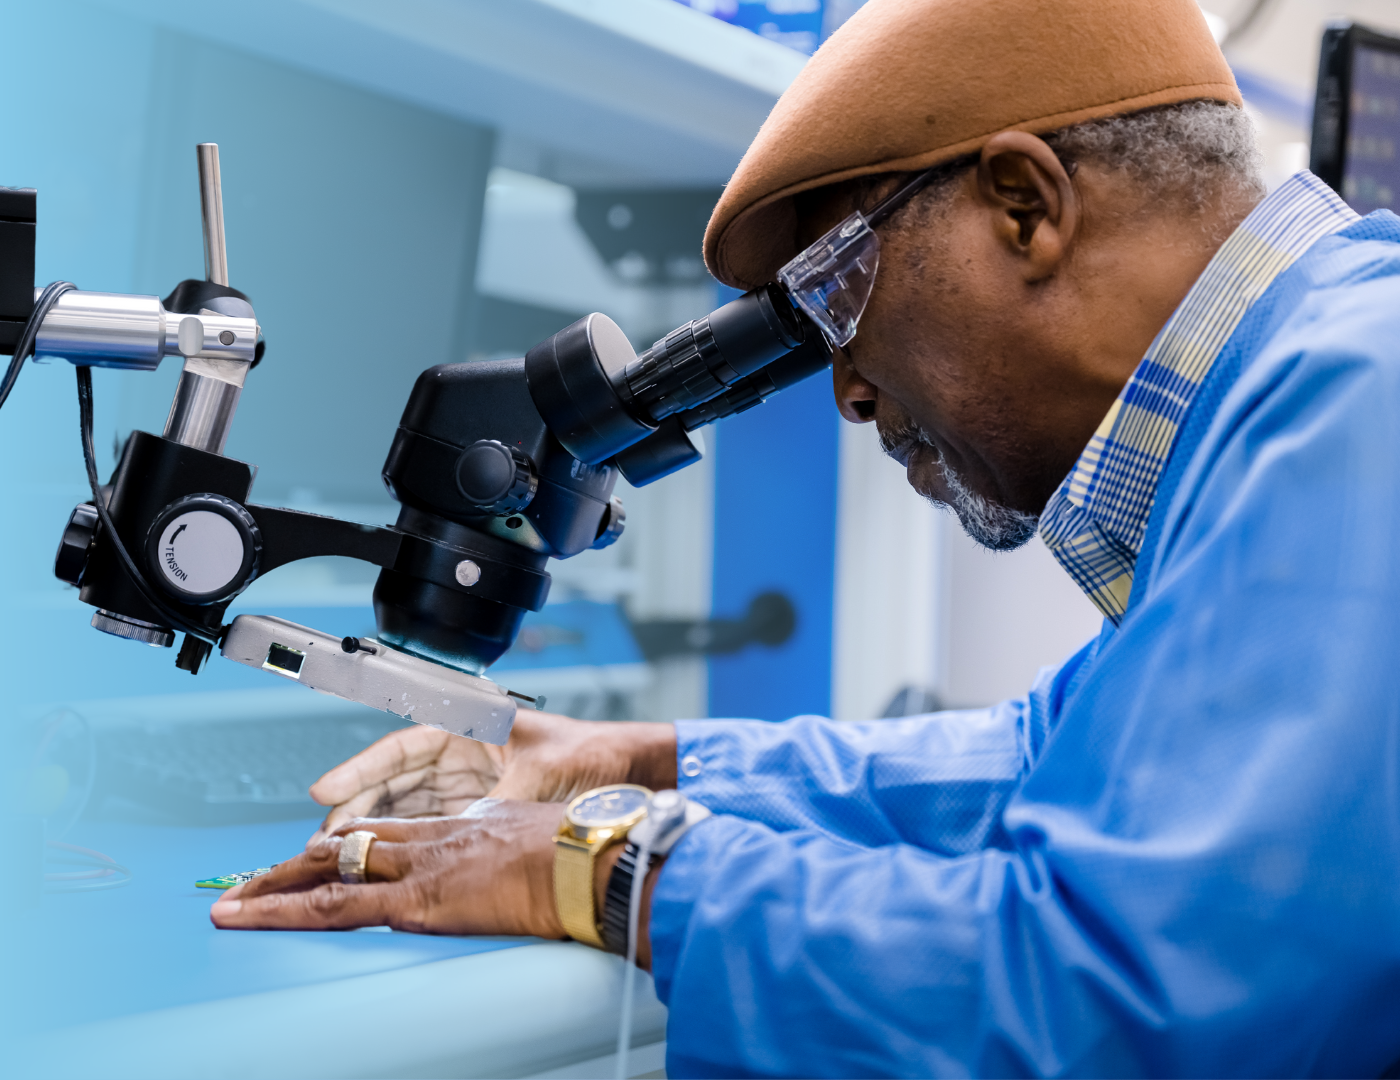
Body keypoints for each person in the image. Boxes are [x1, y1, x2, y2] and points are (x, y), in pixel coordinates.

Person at [211, 0, 1400, 1074]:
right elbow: (1039, 755)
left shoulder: (1357, 398)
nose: (846, 394)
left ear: (1024, 207)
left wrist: (597, 865)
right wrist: (621, 762)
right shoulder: (1307, 383)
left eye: (836, 299)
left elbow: (1119, 1012)